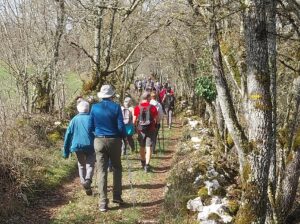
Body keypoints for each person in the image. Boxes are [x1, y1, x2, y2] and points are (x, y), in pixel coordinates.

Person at [88, 84, 126, 212]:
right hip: (114, 140)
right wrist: (123, 136)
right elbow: (121, 126)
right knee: (117, 167)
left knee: (102, 170)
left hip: (99, 140)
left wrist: (96, 134)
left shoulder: (94, 107)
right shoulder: (116, 107)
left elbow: (90, 126)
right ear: (111, 95)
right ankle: (117, 196)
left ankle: (103, 202)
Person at [63, 101, 95, 196]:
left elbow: (68, 135)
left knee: (81, 164)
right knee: (90, 164)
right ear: (88, 109)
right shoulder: (91, 118)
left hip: (77, 146)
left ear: (78, 109)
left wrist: (66, 151)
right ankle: (88, 180)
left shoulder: (74, 120)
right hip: (91, 145)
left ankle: (83, 182)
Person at [133, 92, 158, 172]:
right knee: (149, 147)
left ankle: (143, 161)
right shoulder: (153, 107)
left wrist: (136, 128)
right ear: (148, 98)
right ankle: (147, 165)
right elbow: (156, 119)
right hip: (151, 129)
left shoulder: (137, 107)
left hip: (140, 129)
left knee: (142, 146)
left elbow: (134, 120)